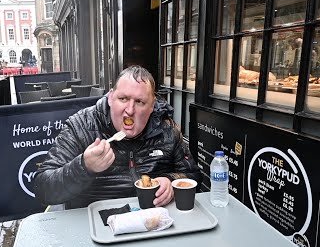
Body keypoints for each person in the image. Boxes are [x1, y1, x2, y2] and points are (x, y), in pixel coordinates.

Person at [33, 65, 202, 209]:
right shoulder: (81, 126)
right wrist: (84, 166)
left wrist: (171, 182)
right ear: (111, 97)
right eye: (123, 99)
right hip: (93, 226)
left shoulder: (166, 130)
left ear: (152, 106)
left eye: (140, 102)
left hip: (151, 223)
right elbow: (43, 189)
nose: (130, 110)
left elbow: (193, 175)